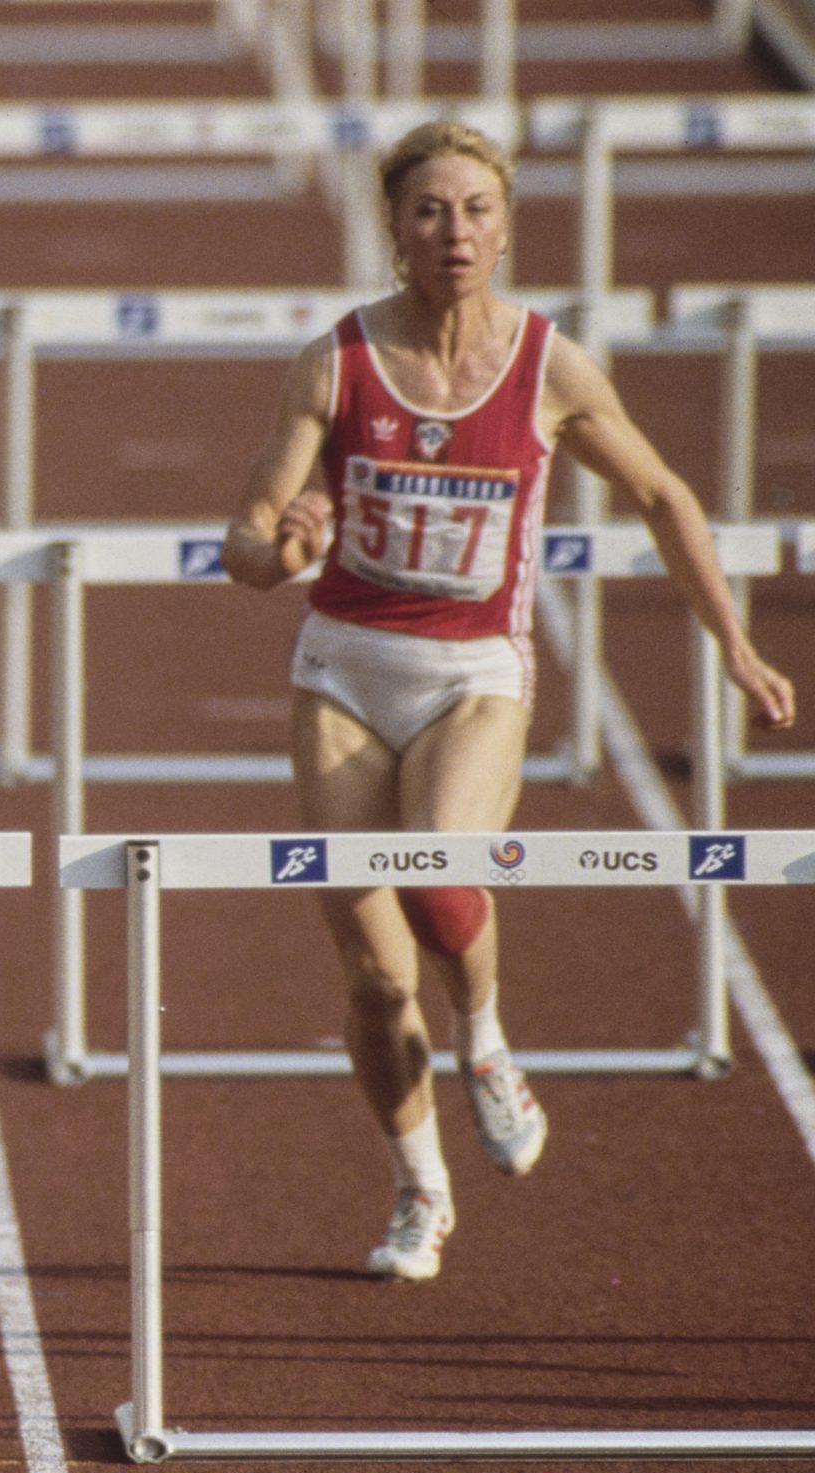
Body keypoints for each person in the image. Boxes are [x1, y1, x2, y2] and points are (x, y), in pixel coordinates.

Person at [223, 122, 796, 1282]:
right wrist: (285, 543)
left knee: (441, 866)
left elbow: (664, 493)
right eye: (430, 210)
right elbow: (242, 536)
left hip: (475, 672)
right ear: (392, 229)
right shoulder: (336, 363)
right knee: (377, 977)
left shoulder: (550, 367)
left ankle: (485, 1041)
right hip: (343, 666)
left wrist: (731, 642)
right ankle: (418, 1189)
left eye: (476, 210)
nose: (454, 232)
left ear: (505, 226)